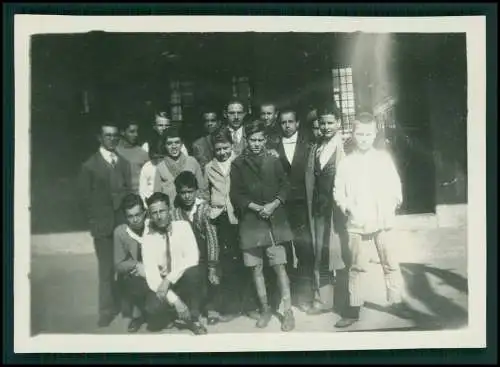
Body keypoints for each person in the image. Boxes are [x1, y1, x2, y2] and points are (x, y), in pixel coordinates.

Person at [333, 112, 410, 328]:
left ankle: (396, 301)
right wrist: (348, 208)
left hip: (382, 220)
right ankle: (353, 308)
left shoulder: (383, 159)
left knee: (390, 262)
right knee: (357, 266)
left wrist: (392, 204)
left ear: (375, 133)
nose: (364, 138)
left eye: (368, 134)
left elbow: (396, 186)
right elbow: (338, 191)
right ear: (353, 134)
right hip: (358, 222)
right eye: (360, 133)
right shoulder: (347, 163)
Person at [230, 119, 295, 332]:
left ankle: (288, 311)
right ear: (246, 140)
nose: (256, 143)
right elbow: (236, 195)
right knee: (256, 269)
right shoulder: (238, 164)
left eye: (260, 139)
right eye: (252, 139)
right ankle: (266, 308)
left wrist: (273, 204)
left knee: (279, 266)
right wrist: (259, 208)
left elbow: (285, 185)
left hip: (273, 222)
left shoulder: (273, 159)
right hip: (251, 223)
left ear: (265, 139)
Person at [78, 121, 132, 327]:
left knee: (126, 265)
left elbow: (128, 192)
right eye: (108, 135)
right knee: (107, 269)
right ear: (100, 138)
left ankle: (127, 305)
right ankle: (106, 310)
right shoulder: (90, 166)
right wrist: (94, 221)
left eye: (115, 135)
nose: (112, 139)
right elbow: (83, 200)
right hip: (102, 225)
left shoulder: (124, 163)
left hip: (122, 224)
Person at [204, 127, 260, 322]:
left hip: (241, 215)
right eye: (218, 149)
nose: (222, 152)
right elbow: (204, 191)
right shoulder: (209, 167)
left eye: (225, 148)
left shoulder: (240, 162)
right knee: (228, 261)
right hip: (221, 218)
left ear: (232, 146)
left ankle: (250, 305)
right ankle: (232, 306)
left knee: (248, 259)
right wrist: (210, 208)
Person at [140, 192, 208, 335]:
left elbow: (192, 258)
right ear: (150, 216)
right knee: (152, 311)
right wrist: (176, 301)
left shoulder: (183, 227)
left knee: (194, 272)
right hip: (161, 285)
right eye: (154, 213)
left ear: (169, 210)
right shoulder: (148, 238)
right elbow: (153, 278)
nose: (159, 216)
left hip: (181, 278)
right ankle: (176, 313)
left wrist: (169, 279)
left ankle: (193, 318)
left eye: (162, 211)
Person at [304, 103, 348, 316]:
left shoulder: (345, 147)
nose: (326, 126)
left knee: (339, 254)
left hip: (338, 211)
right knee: (320, 254)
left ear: (338, 123)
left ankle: (345, 300)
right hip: (320, 210)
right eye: (322, 123)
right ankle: (323, 300)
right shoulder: (317, 147)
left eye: (331, 122)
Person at [275, 108, 315, 312]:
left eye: (291, 121)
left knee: (304, 249)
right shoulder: (273, 146)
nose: (287, 125)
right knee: (285, 251)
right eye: (283, 122)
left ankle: (306, 297)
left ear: (297, 123)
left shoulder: (308, 144)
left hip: (302, 205)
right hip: (281, 206)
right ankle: (287, 297)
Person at [170, 171, 220, 325]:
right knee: (191, 277)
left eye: (190, 192)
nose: (187, 196)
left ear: (196, 191)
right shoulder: (175, 213)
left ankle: (211, 308)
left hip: (205, 252)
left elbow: (212, 237)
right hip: (187, 255)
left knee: (211, 278)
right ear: (178, 193)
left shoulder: (203, 209)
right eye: (183, 193)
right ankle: (194, 309)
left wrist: (212, 265)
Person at [113, 193, 149, 333]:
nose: (135, 220)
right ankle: (137, 314)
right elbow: (118, 264)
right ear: (125, 217)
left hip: (156, 269)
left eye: (138, 214)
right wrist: (136, 265)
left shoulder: (152, 225)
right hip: (136, 273)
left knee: (158, 318)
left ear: (144, 212)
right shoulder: (120, 232)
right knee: (128, 279)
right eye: (130, 216)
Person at [153, 127, 207, 207]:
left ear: (182, 143)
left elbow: (202, 189)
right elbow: (157, 195)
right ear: (164, 145)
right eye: (169, 143)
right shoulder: (160, 167)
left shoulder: (192, 162)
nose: (174, 146)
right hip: (171, 210)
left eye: (177, 142)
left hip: (192, 209)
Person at [116, 120, 150, 194]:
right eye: (132, 132)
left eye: (137, 131)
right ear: (122, 132)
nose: (136, 135)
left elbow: (149, 178)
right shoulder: (114, 152)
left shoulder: (143, 153)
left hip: (138, 197)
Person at [138, 135, 165, 205]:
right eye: (156, 158)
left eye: (161, 157)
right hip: (150, 201)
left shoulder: (168, 166)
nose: (159, 160)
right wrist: (145, 204)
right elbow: (142, 189)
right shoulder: (147, 167)